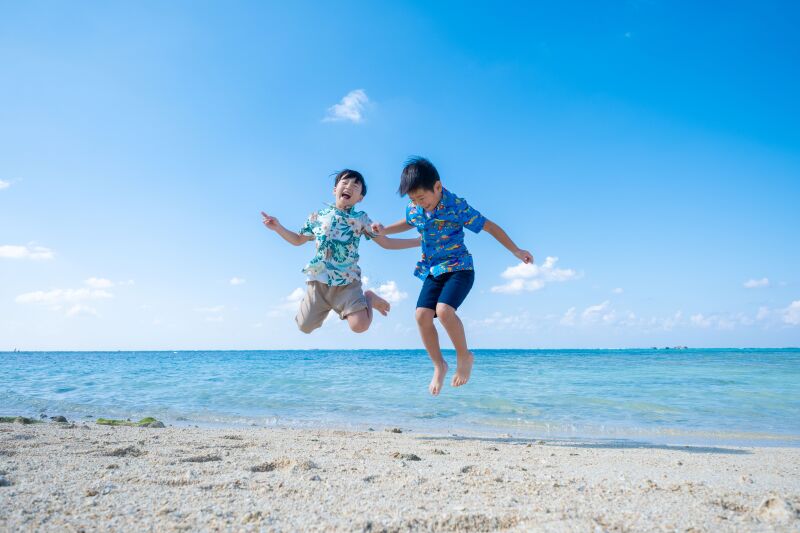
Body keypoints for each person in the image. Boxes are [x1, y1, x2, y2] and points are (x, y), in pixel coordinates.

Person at [373, 157, 533, 395]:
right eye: (413, 199)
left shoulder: (456, 206)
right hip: (433, 270)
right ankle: (439, 365)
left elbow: (489, 226)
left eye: (422, 198)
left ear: (437, 187)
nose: (418, 203)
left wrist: (516, 250)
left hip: (460, 268)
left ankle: (464, 357)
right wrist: (385, 229)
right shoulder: (415, 208)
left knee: (445, 310)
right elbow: (408, 222)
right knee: (421, 316)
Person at [262, 169, 420, 335]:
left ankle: (369, 298)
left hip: (347, 283)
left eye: (356, 186)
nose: (349, 187)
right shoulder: (317, 217)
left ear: (360, 198)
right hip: (319, 282)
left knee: (360, 326)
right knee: (304, 327)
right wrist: (278, 228)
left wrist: (417, 242)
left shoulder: (361, 219)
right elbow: (297, 240)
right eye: (345, 183)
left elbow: (386, 242)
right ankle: (321, 306)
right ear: (334, 190)